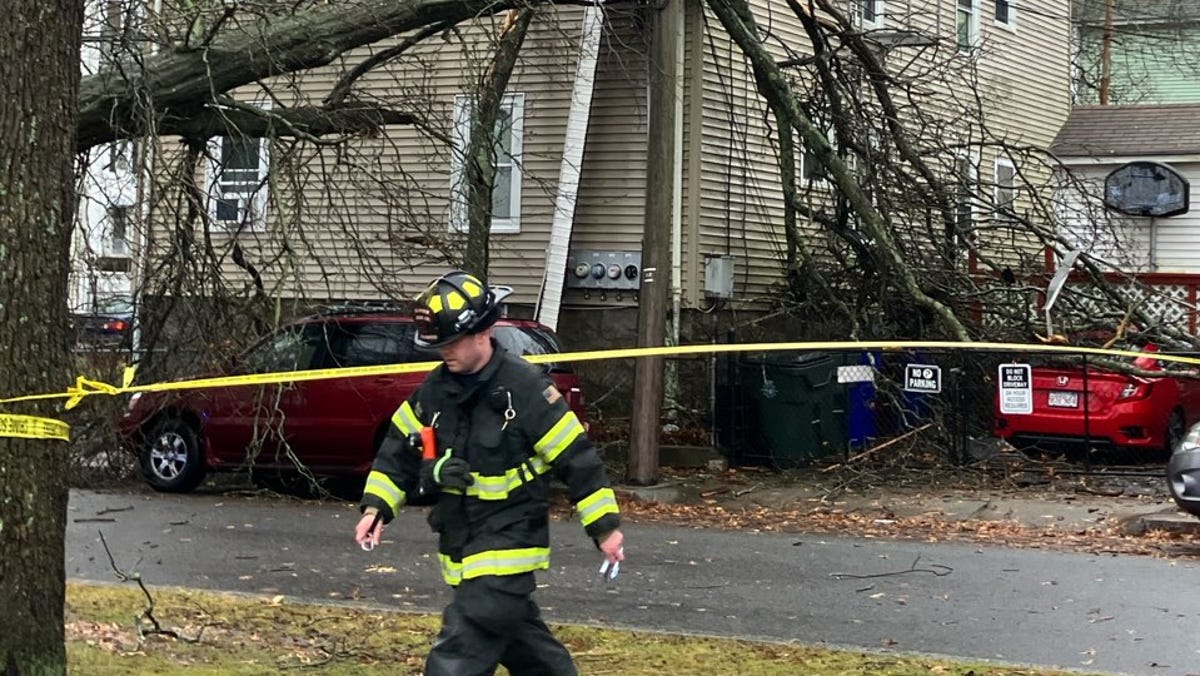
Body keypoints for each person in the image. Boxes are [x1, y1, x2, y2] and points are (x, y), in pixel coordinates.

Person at [354, 270, 625, 676]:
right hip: (462, 544)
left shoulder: (527, 389)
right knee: (527, 649)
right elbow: (399, 451)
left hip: (509, 547)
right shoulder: (434, 392)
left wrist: (605, 528)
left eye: (451, 342)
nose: (444, 351)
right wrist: (376, 508)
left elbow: (578, 459)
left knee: (463, 646)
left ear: (483, 331)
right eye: (438, 343)